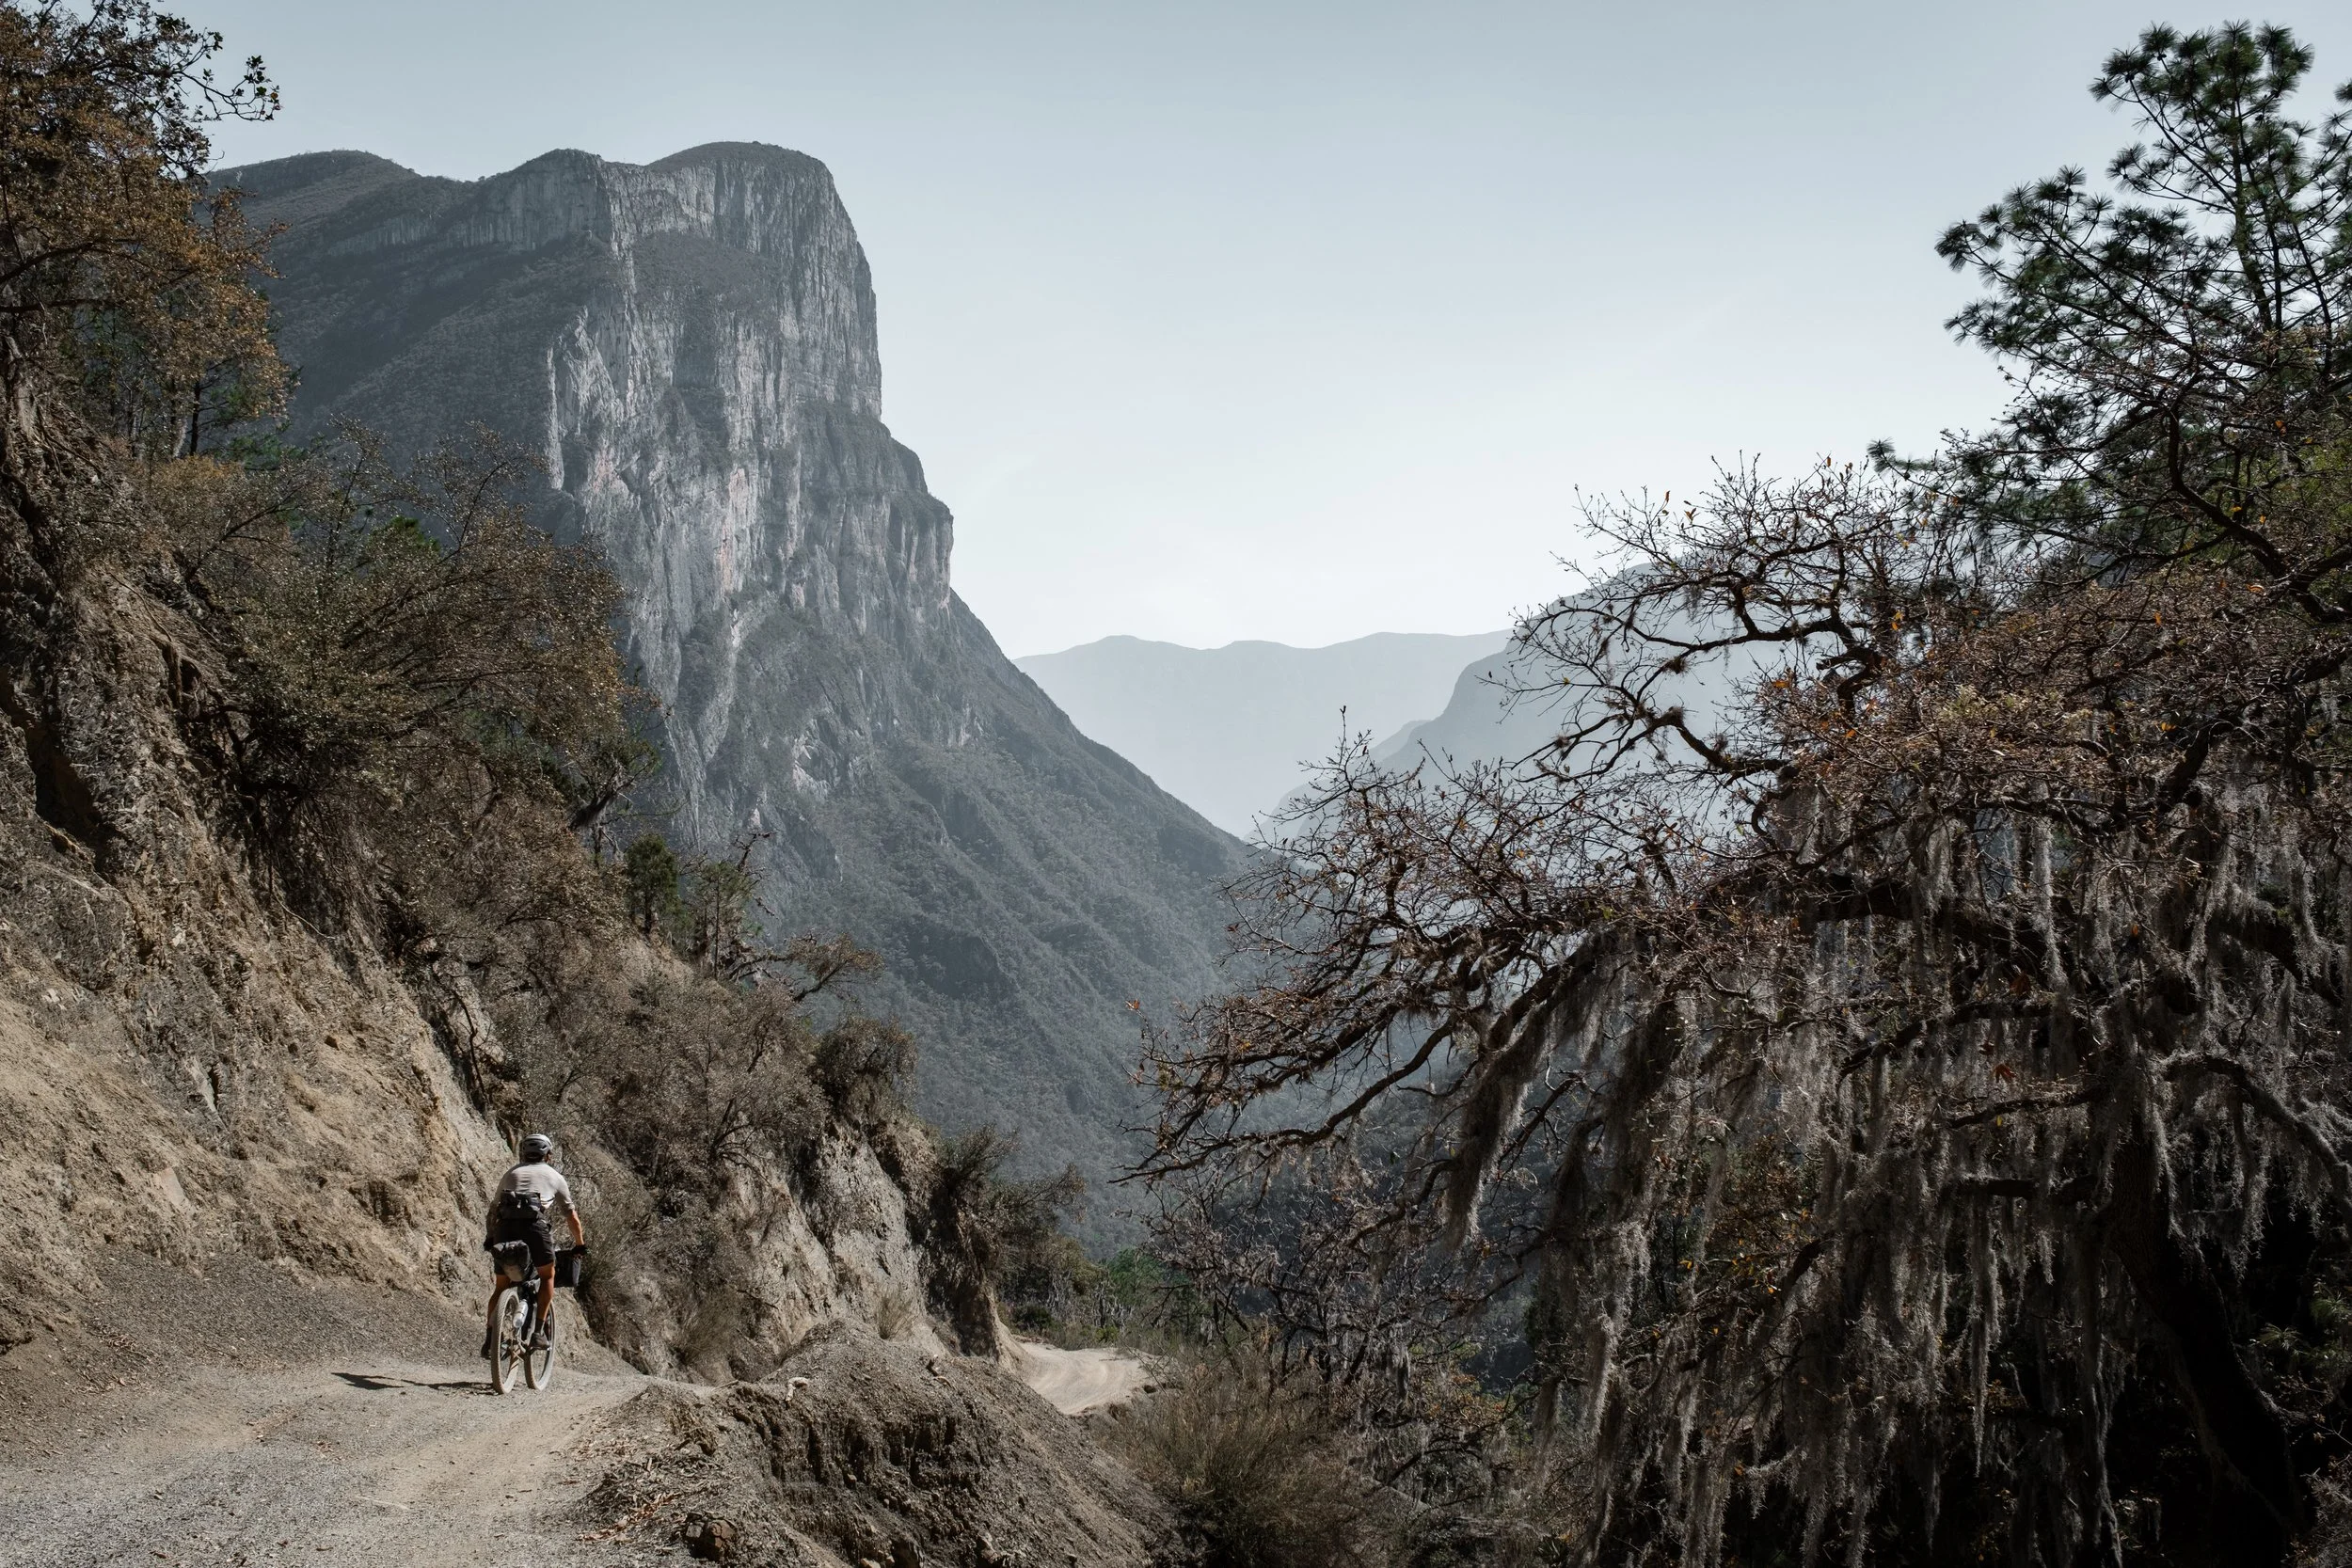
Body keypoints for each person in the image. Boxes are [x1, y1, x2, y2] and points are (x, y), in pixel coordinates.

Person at [482, 1132, 585, 1359]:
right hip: (534, 1228)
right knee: (548, 1275)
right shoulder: (555, 1177)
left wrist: (490, 1236)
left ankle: (490, 1339)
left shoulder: (512, 1173)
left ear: (524, 1153)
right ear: (548, 1155)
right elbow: (571, 1217)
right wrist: (580, 1245)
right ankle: (538, 1333)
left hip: (504, 1228)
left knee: (500, 1287)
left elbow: (493, 1208)